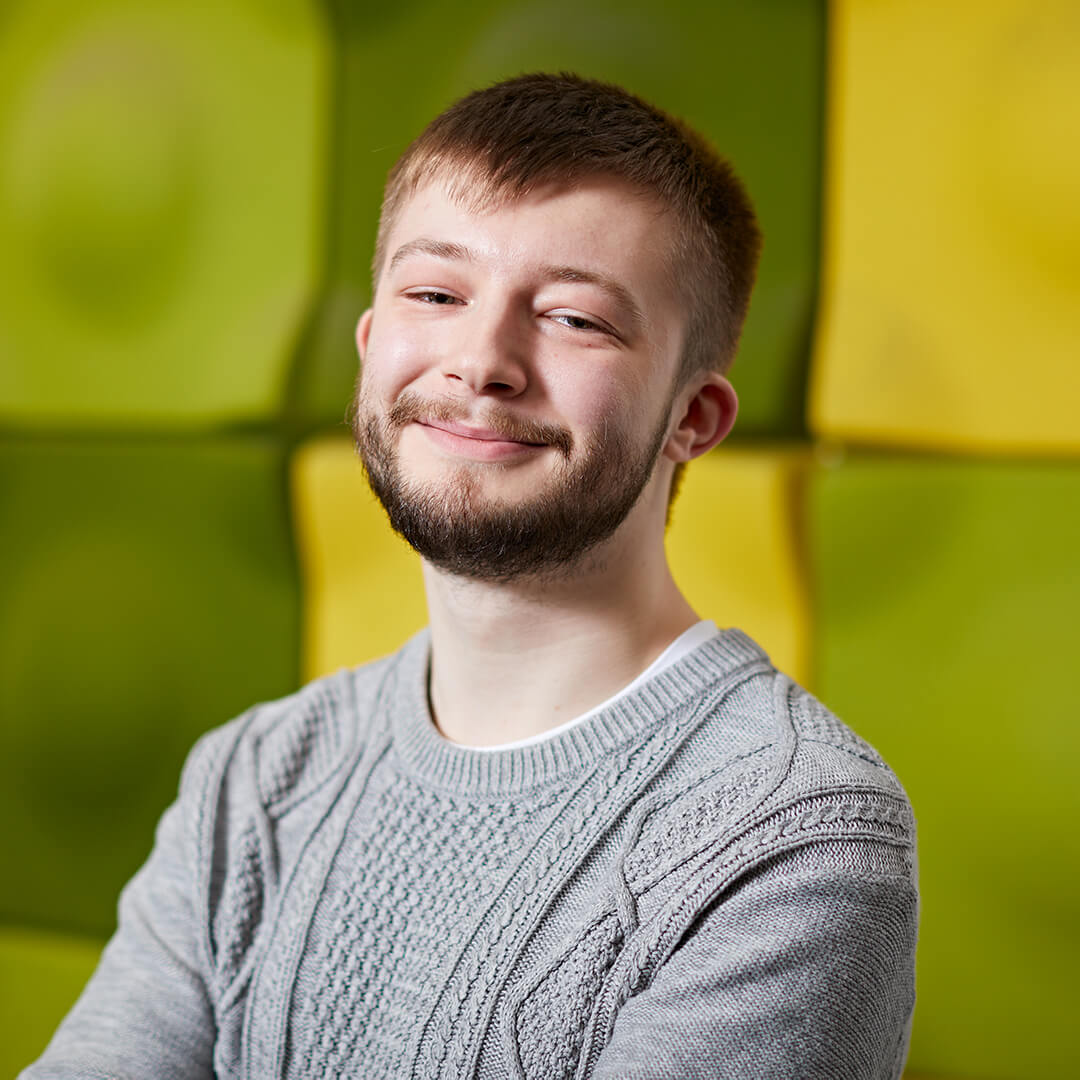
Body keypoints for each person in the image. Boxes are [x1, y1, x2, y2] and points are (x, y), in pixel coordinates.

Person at [25, 73, 917, 1079]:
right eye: (436, 295)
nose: (482, 360)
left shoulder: (791, 833)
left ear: (692, 419)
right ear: (371, 348)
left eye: (576, 319)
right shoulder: (253, 780)